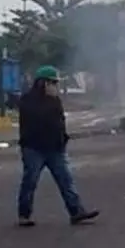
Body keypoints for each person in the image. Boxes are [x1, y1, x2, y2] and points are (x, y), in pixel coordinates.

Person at [16, 65, 99, 227]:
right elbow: (38, 120)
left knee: (66, 180)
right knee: (30, 181)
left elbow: (59, 123)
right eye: (53, 83)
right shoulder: (28, 101)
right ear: (42, 84)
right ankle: (24, 214)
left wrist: (63, 139)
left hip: (55, 148)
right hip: (34, 148)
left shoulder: (55, 101)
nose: (56, 87)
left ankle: (76, 212)